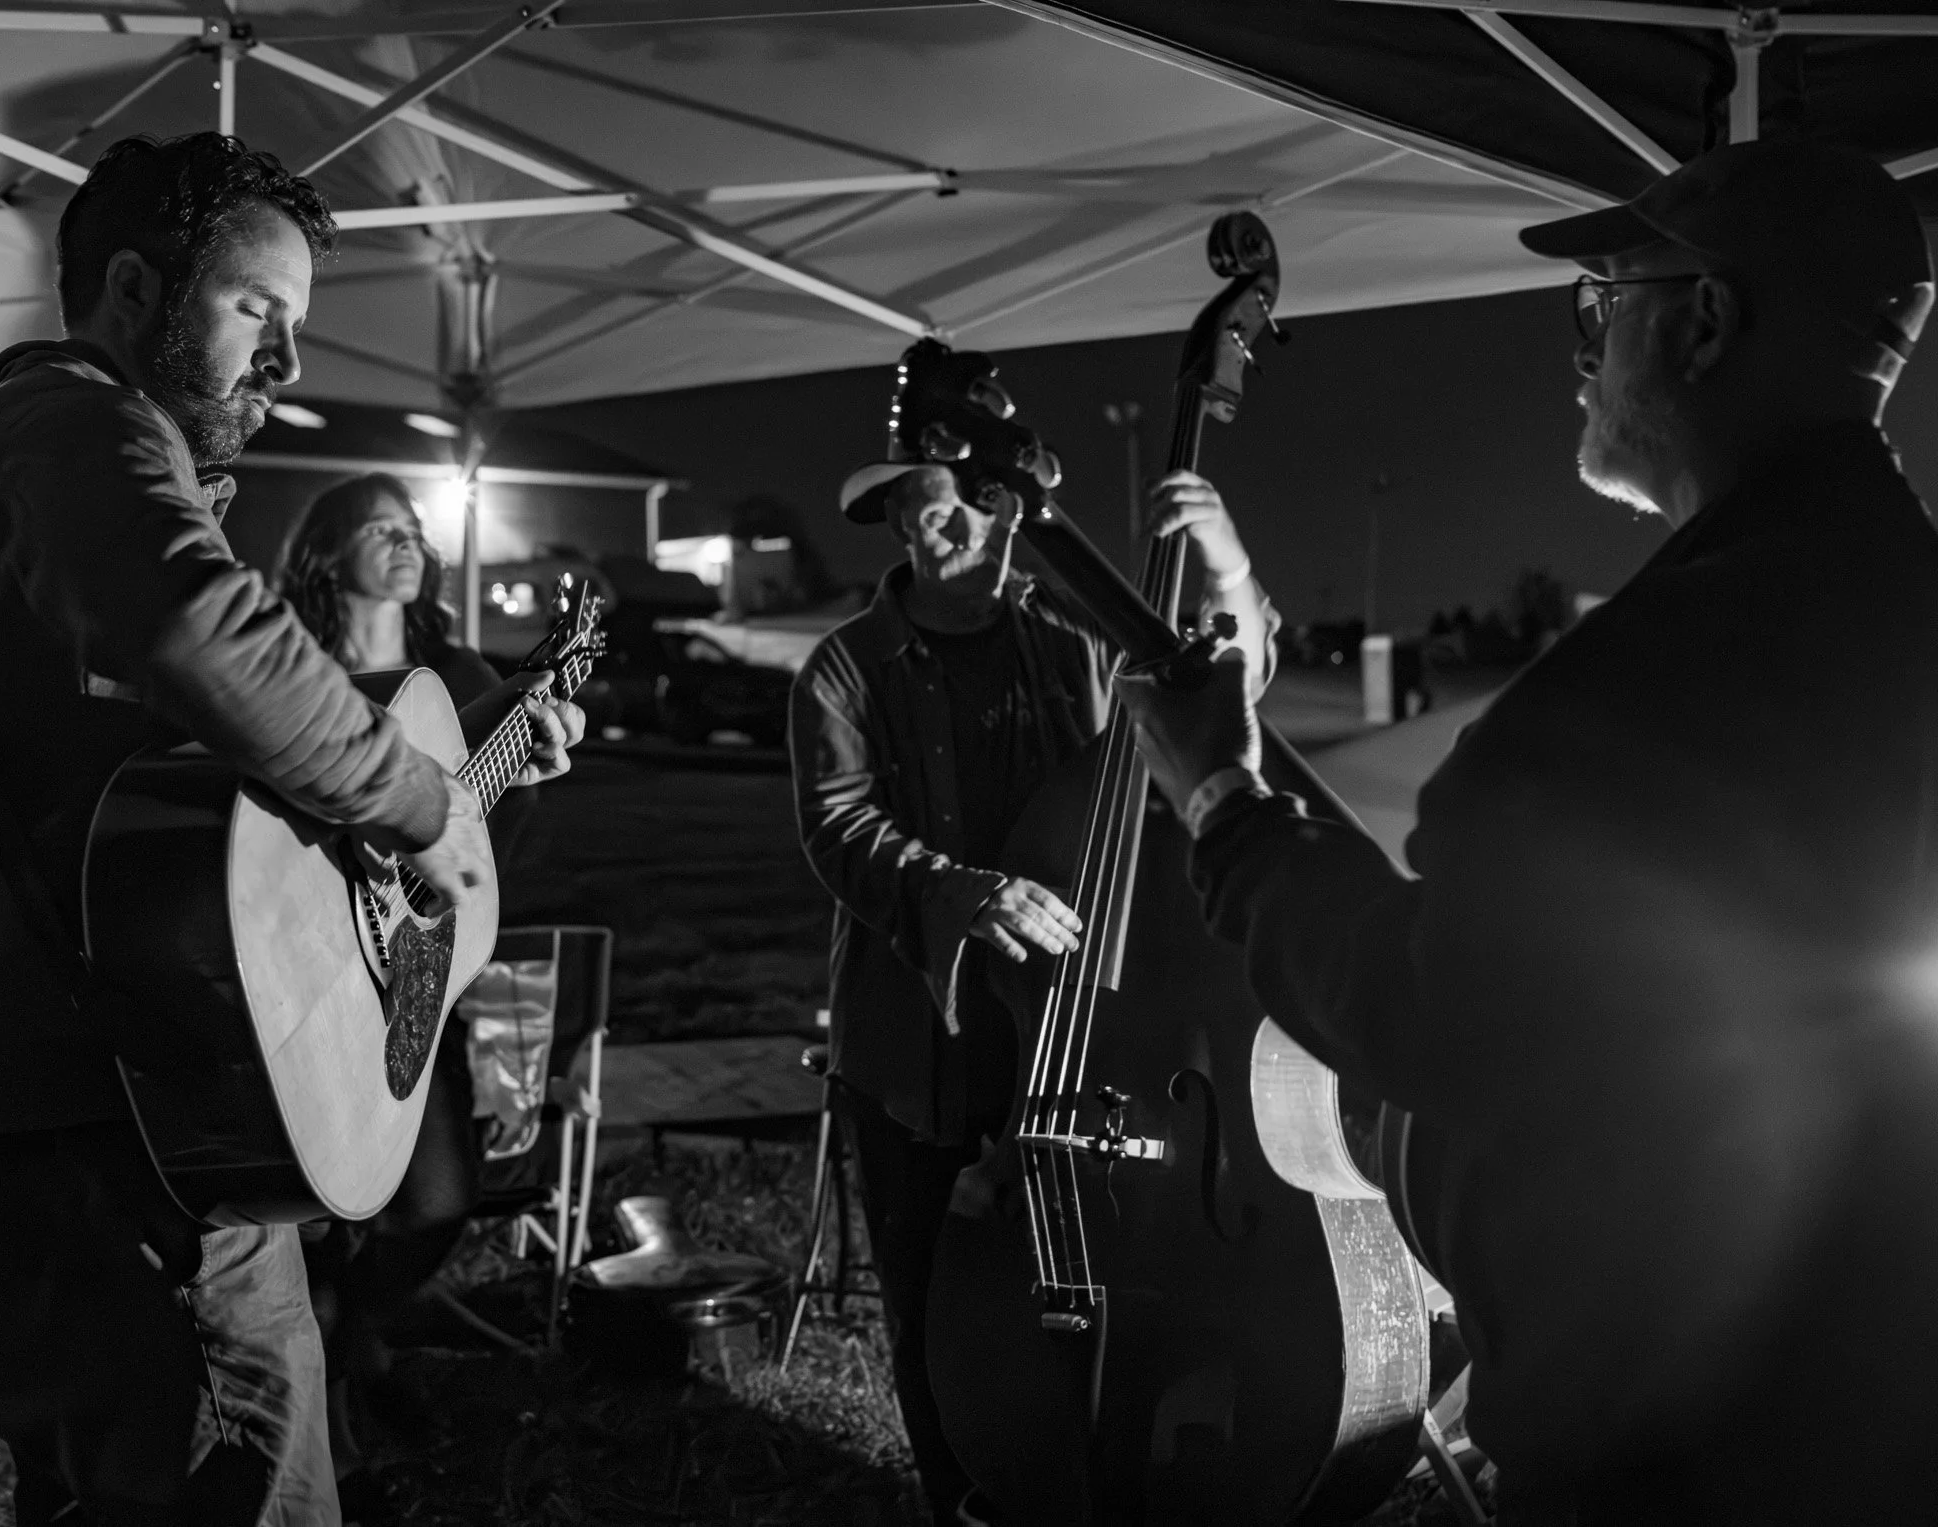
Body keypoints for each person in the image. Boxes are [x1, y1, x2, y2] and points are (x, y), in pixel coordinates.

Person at [1118, 139, 1938, 1525]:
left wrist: (1221, 800)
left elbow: (1431, 1008)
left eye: (1598, 307)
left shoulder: (1644, 682)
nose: (1580, 353)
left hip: (1686, 1444)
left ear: (1705, 322)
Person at [0, 133, 578, 1525]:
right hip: (104, 1146)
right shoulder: (71, 430)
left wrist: (448, 762)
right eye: (259, 311)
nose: (288, 365)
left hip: (102, 1113)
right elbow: (197, 623)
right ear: (135, 290)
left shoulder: (53, 454)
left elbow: (193, 772)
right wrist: (411, 796)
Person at [789, 398, 1277, 1524]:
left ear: (1013, 511)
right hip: (920, 1031)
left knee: (1115, 1264)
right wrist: (965, 892)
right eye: (922, 509)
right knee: (932, 1298)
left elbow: (1221, 685)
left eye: (965, 505)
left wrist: (1227, 570)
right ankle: (958, 1492)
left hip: (1084, 1024)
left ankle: (1109, 1470)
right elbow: (837, 827)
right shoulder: (841, 667)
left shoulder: (1076, 638)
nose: (943, 527)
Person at [274, 474, 535, 1519]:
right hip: (297, 970)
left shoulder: (459, 675)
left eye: (412, 529)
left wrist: (516, 763)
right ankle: (325, 1394)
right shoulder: (275, 664)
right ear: (326, 551)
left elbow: (470, 837)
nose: (406, 543)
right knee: (305, 1206)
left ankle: (354, 1329)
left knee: (433, 1195)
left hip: (412, 974)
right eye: (379, 529)